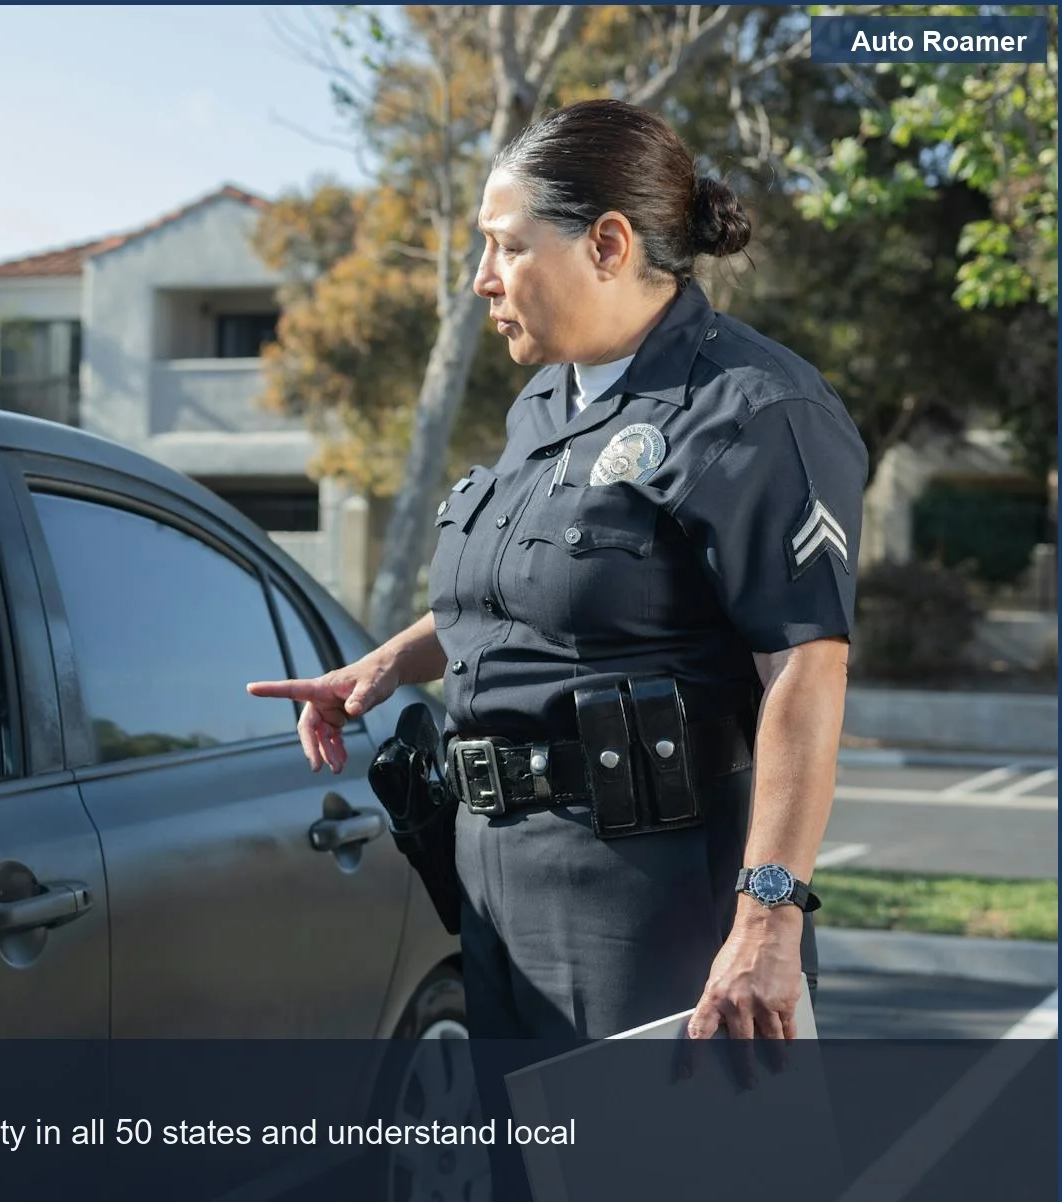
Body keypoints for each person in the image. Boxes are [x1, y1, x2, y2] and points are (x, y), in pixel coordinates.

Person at [251, 98, 864, 1046]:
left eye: (506, 247)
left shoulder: (756, 409)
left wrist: (768, 917)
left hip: (652, 901)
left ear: (608, 244)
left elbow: (805, 667)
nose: (480, 280)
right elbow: (525, 598)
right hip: (493, 884)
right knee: (525, 1186)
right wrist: (387, 664)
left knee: (662, 1191)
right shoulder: (544, 402)